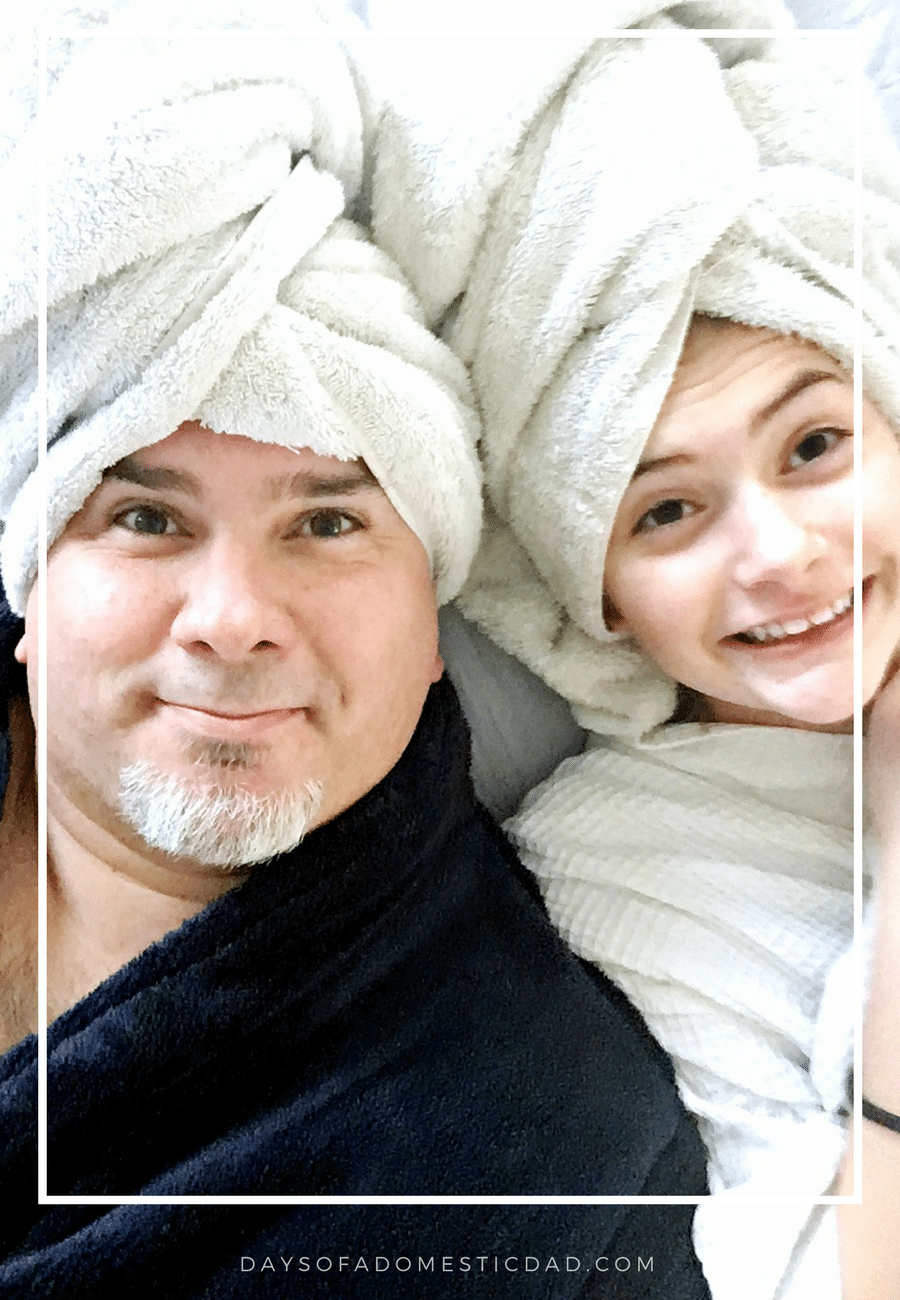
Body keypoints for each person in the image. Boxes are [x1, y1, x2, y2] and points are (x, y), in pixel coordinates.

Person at [0, 11, 714, 1298]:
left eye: (327, 522)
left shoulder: (555, 1169)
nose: (231, 616)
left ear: (434, 623)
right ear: (32, 582)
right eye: (146, 516)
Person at [367, 6, 900, 1297]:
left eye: (815, 445)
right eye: (665, 511)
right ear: (592, 589)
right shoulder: (621, 871)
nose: (775, 555)